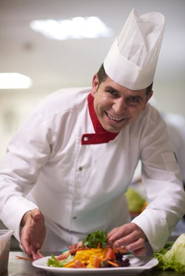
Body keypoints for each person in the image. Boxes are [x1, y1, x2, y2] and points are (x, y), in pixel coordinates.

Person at [0, 9, 185, 260]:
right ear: (95, 85)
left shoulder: (150, 123)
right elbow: (7, 180)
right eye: (113, 93)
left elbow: (168, 188)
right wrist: (24, 215)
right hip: (45, 240)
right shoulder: (54, 113)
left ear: (147, 98)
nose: (119, 109)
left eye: (134, 99)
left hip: (111, 244)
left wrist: (146, 225)